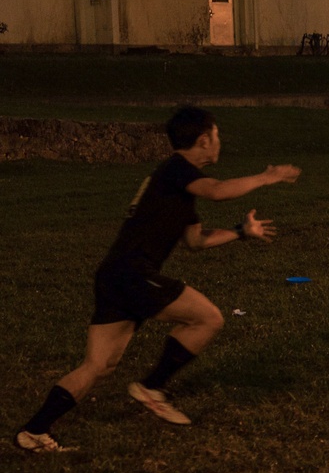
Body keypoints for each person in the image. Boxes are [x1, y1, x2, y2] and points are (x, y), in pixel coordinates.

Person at [15, 107, 301, 452]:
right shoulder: (178, 169)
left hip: (115, 275)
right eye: (218, 135)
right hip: (132, 274)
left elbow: (196, 242)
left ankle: (33, 431)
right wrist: (265, 177)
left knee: (99, 365)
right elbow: (219, 191)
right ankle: (153, 387)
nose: (219, 142)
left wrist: (241, 232)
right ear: (204, 139)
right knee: (208, 318)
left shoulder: (179, 184)